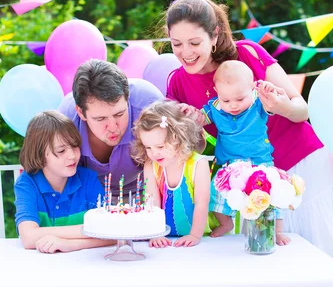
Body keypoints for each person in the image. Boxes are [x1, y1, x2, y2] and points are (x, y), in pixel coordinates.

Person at [164, 0, 333, 269]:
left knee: (320, 260)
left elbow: (301, 109)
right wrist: (193, 128)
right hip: (252, 185)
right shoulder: (177, 83)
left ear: (214, 35)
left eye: (194, 43)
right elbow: (193, 150)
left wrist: (280, 105)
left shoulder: (247, 53)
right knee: (267, 264)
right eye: (177, 44)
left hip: (302, 166)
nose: (185, 52)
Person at [187, 60, 290, 244]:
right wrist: (190, 113)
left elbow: (273, 103)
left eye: (240, 99)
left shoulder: (259, 103)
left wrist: (269, 89)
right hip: (229, 166)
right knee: (216, 197)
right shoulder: (216, 107)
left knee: (271, 198)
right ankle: (225, 223)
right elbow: (200, 118)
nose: (233, 105)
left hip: (259, 162)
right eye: (226, 100)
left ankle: (278, 231)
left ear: (252, 89)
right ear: (218, 93)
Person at [58, 59, 163, 197]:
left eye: (119, 114)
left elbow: (181, 154)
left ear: (128, 99)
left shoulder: (149, 104)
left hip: (148, 194)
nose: (113, 127)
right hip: (88, 199)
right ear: (80, 112)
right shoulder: (66, 120)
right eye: (100, 119)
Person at [14, 111, 115, 253]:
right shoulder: (27, 183)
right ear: (40, 156)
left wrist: (69, 244)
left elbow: (113, 232)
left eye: (75, 146)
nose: (72, 156)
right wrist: (90, 230)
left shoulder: (87, 179)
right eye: (61, 151)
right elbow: (28, 237)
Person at [131, 100, 215, 248]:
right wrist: (155, 234)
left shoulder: (198, 164)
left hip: (197, 237)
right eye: (148, 147)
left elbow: (202, 203)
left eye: (160, 146)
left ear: (178, 137)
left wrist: (195, 235)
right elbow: (152, 203)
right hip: (164, 237)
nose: (154, 153)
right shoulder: (151, 165)